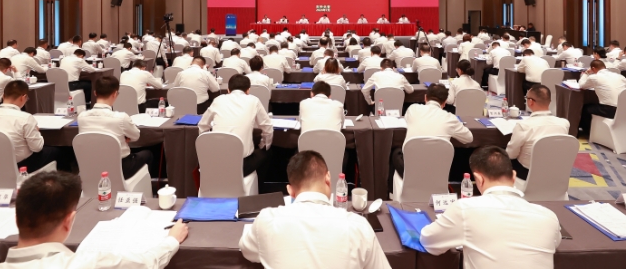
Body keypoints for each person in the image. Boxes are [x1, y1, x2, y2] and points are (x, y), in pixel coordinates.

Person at [0, 171, 188, 269]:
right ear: (69, 221)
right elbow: (146, 263)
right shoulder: (87, 263)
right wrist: (172, 239)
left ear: (17, 219)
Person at [239, 150, 391, 269]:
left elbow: (246, 250)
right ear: (328, 178)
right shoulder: (359, 227)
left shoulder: (267, 221)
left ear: (290, 191)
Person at [420, 146, 561, 269]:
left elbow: (429, 241)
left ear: (478, 179)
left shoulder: (465, 209)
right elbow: (555, 242)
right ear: (513, 176)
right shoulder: (549, 217)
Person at [76, 76, 153, 179]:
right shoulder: (121, 118)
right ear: (115, 94)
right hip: (121, 167)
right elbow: (136, 136)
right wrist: (125, 138)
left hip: (91, 167)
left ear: (95, 93)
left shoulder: (81, 117)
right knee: (148, 154)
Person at [391, 84, 472, 177]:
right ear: (444, 102)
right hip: (437, 172)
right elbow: (469, 138)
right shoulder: (451, 118)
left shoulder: (413, 109)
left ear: (425, 97)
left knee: (396, 152)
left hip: (410, 171)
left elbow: (407, 121)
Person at [199, 74, 272, 177]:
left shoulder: (218, 100)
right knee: (267, 152)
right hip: (242, 164)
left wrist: (208, 146)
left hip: (216, 161)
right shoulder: (253, 100)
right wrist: (263, 145)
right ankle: (258, 185)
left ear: (228, 90)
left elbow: (202, 125)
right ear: (248, 90)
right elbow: (267, 128)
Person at [0, 81, 67, 172]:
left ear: (3, 96)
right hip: (21, 165)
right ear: (23, 97)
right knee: (58, 152)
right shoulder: (25, 118)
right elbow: (37, 148)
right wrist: (37, 133)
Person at [506, 85, 571, 180]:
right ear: (549, 102)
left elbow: (511, 154)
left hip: (527, 174)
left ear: (530, 101)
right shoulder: (564, 123)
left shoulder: (523, 126)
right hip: (556, 171)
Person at [579, 60, 626, 133]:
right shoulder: (621, 77)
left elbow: (581, 85)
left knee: (585, 108)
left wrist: (586, 73)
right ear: (604, 67)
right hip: (624, 109)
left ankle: (589, 132)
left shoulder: (594, 77)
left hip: (609, 110)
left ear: (593, 68)